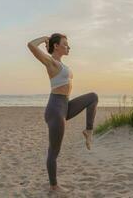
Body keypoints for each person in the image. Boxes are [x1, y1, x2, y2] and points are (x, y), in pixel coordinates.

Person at [27, 33, 99, 193]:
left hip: (65, 105)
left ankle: (88, 131)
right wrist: (45, 38)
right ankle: (53, 186)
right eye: (65, 44)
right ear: (56, 46)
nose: (68, 47)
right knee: (54, 151)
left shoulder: (62, 64)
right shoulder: (50, 62)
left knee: (93, 97)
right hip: (55, 109)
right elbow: (31, 45)